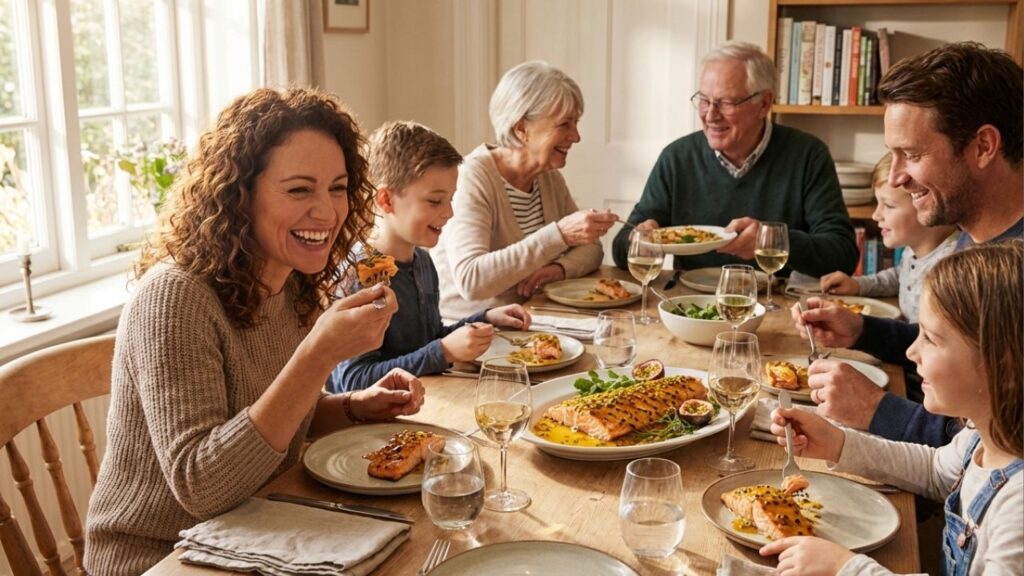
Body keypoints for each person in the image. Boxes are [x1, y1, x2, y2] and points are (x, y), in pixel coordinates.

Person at [84, 88, 425, 574]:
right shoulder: (175, 297)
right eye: (299, 189)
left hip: (255, 528)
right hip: (161, 557)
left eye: (338, 187)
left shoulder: (293, 281)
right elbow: (202, 486)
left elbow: (267, 424)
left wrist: (351, 407)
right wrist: (316, 356)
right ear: (238, 196)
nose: (328, 213)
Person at [793, 42, 1024, 447]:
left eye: (912, 154)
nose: (897, 177)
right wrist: (862, 330)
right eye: (892, 155)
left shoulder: (1013, 267)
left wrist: (877, 410)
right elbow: (958, 350)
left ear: (983, 146)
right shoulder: (974, 233)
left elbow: (993, 445)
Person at [763, 242, 1023, 576]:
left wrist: (847, 568)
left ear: (1001, 364)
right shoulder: (984, 435)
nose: (912, 352)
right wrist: (838, 443)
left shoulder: (1018, 508)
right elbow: (934, 470)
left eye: (930, 339)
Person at [611, 41, 858, 278]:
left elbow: (843, 255)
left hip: (778, 303)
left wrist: (772, 241)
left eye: (726, 102)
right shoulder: (677, 158)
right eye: (704, 100)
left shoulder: (808, 156)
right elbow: (621, 249)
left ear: (764, 104)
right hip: (689, 302)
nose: (710, 115)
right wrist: (639, 238)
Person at [330, 121, 531, 391]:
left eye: (451, 199)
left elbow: (429, 341)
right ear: (386, 200)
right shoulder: (360, 277)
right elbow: (353, 381)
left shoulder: (422, 261)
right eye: (435, 201)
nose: (449, 212)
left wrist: (484, 318)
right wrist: (445, 352)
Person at [431, 60, 618, 319]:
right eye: (564, 124)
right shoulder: (472, 178)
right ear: (521, 129)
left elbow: (591, 248)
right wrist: (560, 235)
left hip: (531, 318)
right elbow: (471, 281)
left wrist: (559, 268)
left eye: (575, 123)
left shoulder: (547, 177)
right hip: (473, 331)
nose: (576, 136)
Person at [819, 152, 958, 322]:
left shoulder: (952, 270)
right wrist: (858, 285)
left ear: (926, 205)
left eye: (889, 205)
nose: (876, 215)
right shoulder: (913, 252)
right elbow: (899, 276)